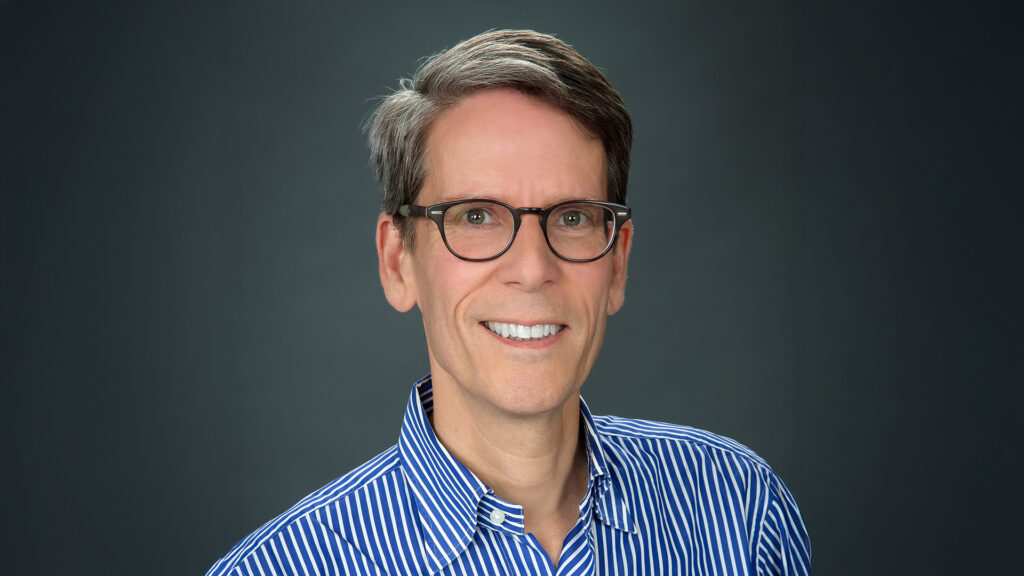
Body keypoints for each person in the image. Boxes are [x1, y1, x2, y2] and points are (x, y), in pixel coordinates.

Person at [206, 29, 811, 576]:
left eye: (572, 218)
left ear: (617, 263)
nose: (532, 270)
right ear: (398, 261)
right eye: (476, 216)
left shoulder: (739, 513)